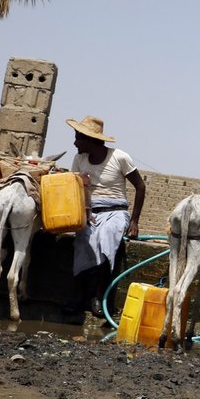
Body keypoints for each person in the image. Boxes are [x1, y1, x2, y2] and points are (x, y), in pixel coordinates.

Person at [67, 115, 146, 317]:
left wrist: (134, 221)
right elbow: (74, 189)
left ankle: (100, 297)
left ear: (90, 140)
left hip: (116, 211)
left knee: (109, 237)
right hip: (91, 210)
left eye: (78, 138)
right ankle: (78, 297)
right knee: (83, 239)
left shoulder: (119, 157)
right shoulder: (79, 159)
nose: (75, 142)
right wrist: (84, 213)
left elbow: (140, 186)